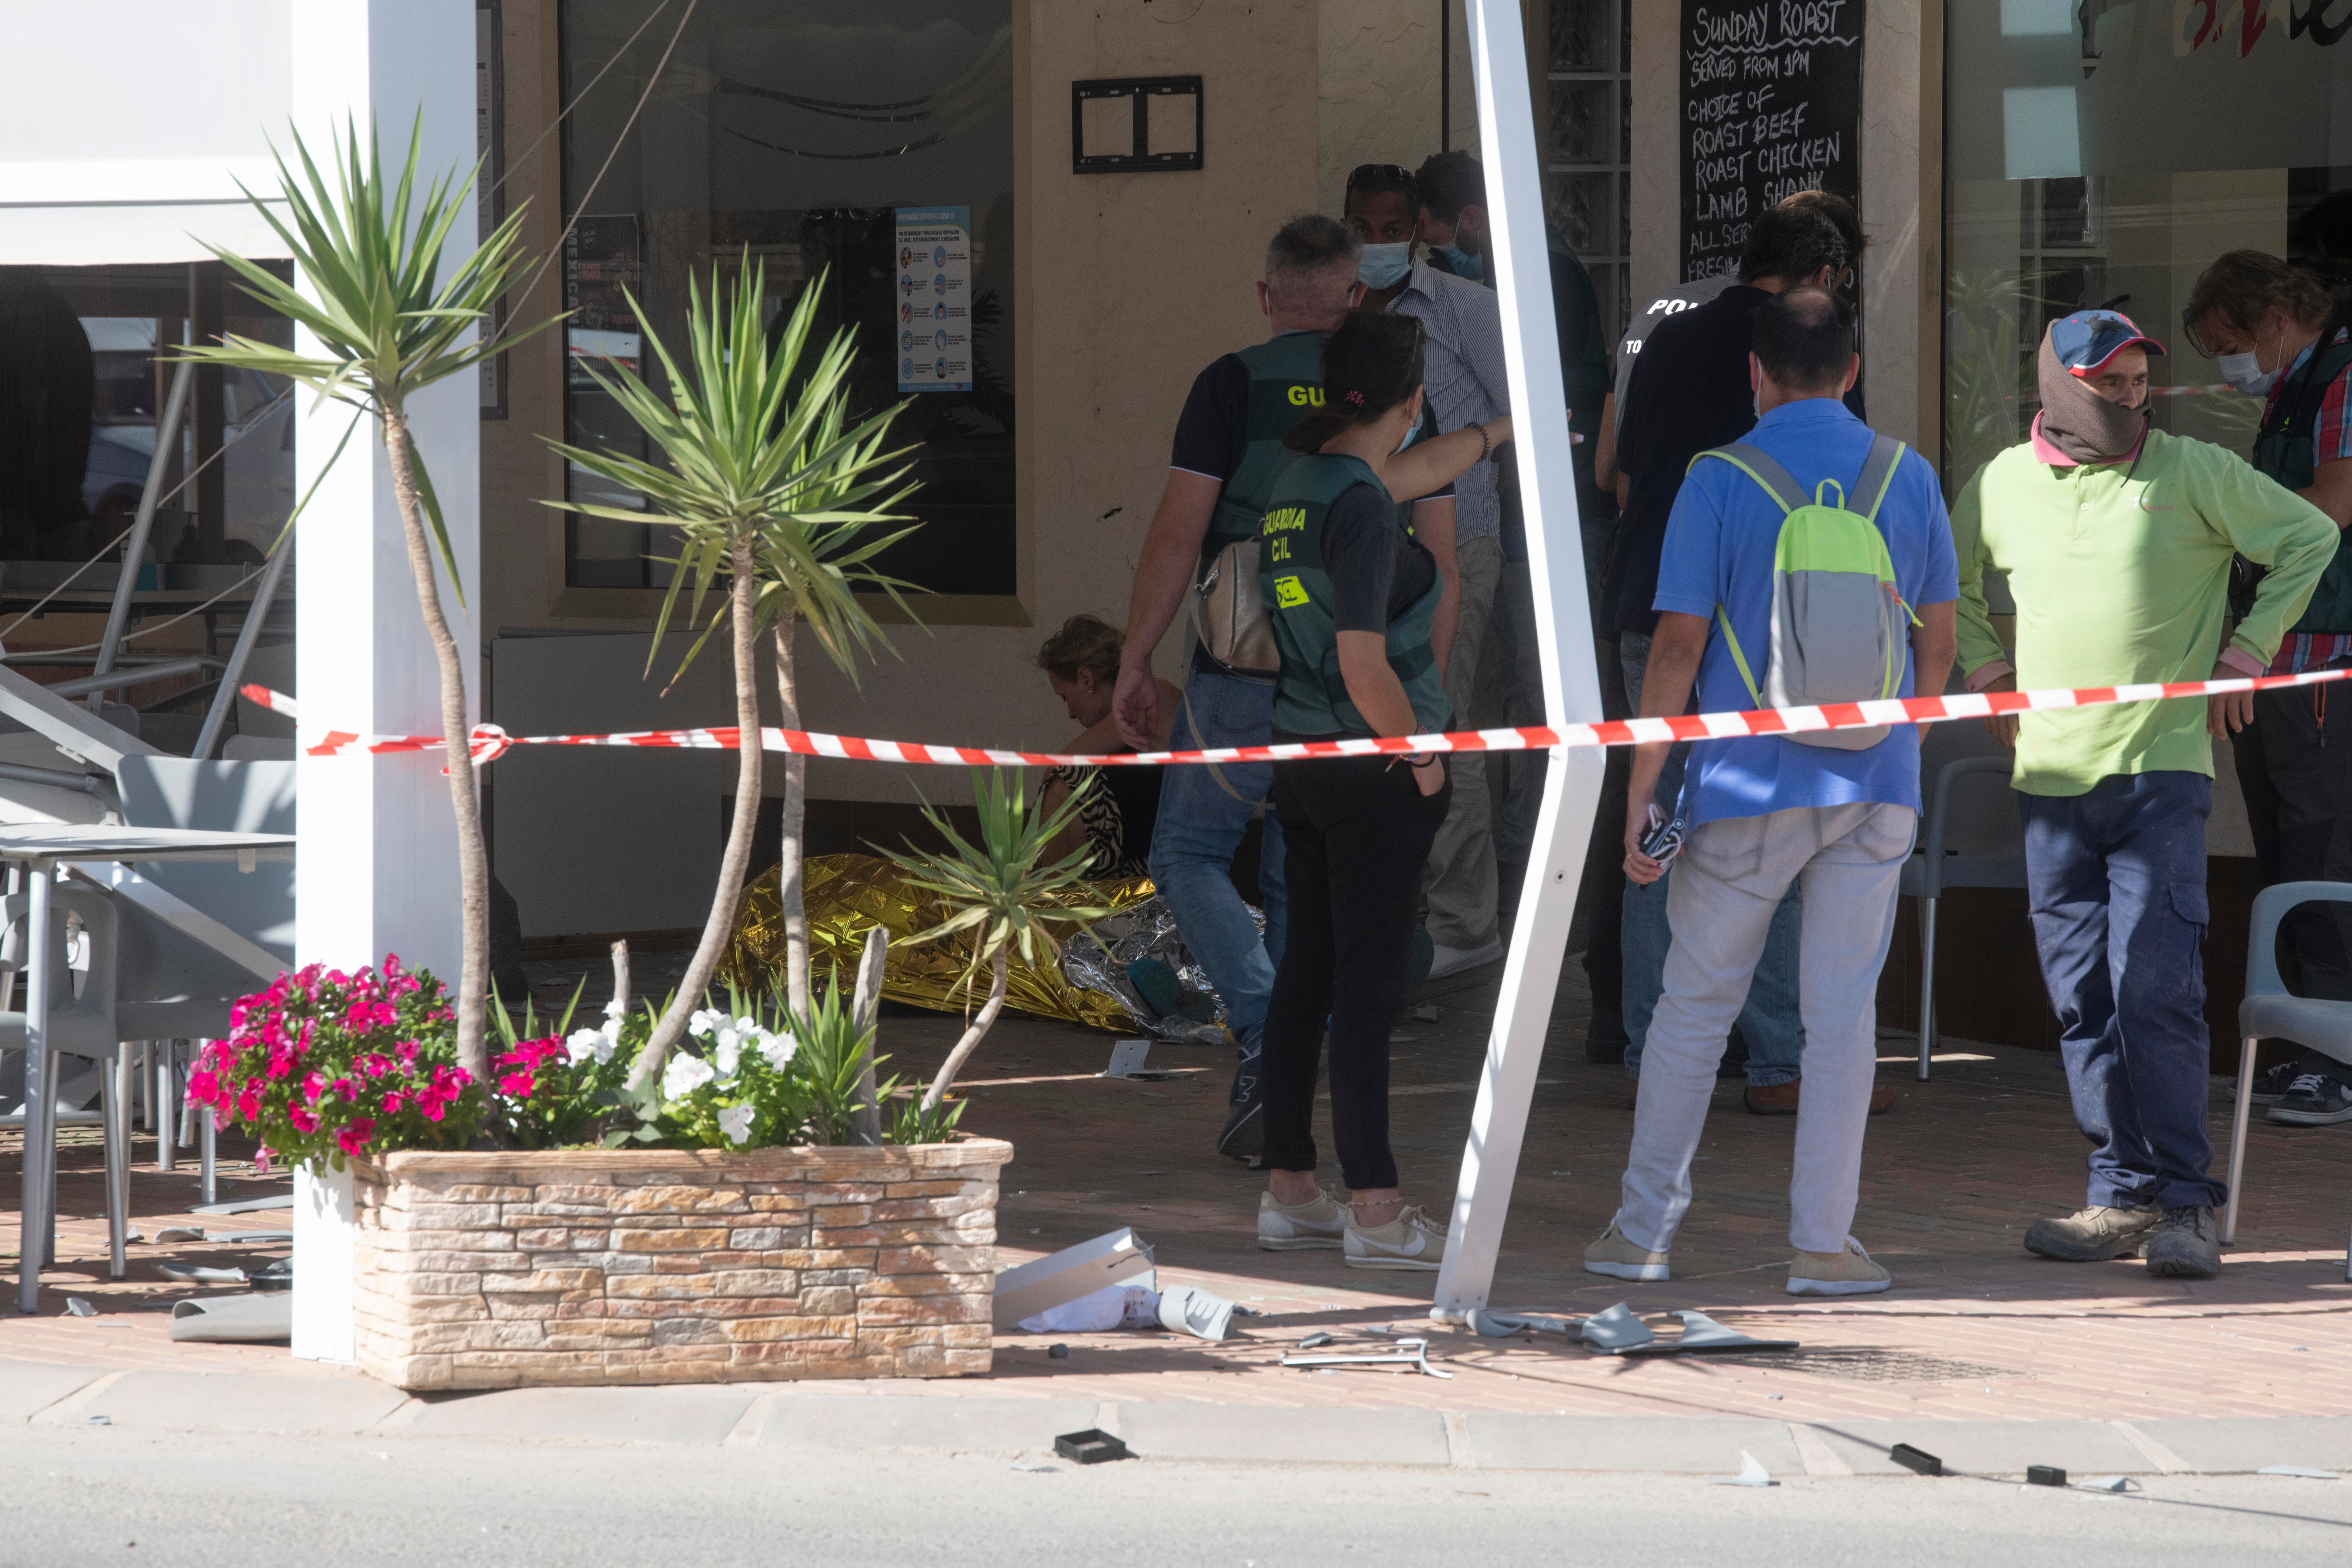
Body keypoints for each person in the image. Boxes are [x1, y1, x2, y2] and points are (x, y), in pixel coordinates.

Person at [1583, 288, 1955, 1297]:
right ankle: (1823, 1245)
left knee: (1694, 1007)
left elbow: (1676, 645)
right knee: (1841, 1018)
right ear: (1850, 372)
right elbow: (1937, 640)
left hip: (1746, 783)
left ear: (1754, 374)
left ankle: (1642, 1232)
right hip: (1876, 784)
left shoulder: (1717, 477)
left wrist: (1644, 788)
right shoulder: (1908, 475)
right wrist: (1899, 746)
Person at [1954, 309, 2337, 1279]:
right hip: (2049, 783)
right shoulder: (1999, 483)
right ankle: (2120, 1193)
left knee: (2155, 993)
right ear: (2058, 388)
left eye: (2138, 383)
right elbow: (1942, 581)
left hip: (2159, 778)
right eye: (2109, 384)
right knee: (2083, 1000)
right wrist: (1988, 671)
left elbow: (2306, 537)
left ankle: (2185, 1203)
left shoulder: (2191, 470)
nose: (2129, 400)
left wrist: (2247, 653)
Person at [1111, 214, 1458, 1163]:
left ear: (1266, 296)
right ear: (1356, 296)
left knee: (1187, 852)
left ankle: (1269, 1031)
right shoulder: (1396, 395)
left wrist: (1136, 656)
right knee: (1295, 874)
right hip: (1351, 679)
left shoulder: (1230, 382)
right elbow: (1439, 561)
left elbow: (1179, 533)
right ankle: (1285, 1056)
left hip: (1239, 662)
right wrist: (1418, 692)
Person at [1250, 311, 1512, 1268]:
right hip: (1373, 768)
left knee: (1307, 973)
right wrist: (1422, 757)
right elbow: (1365, 664)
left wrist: (1501, 432)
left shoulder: (1304, 480)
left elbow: (1422, 467)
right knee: (1368, 987)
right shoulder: (1360, 506)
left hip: (1302, 761)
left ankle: (1290, 1189)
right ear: (1409, 400)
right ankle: (1375, 1208)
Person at [1611, 207, 1878, 1115]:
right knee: (1777, 824)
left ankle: (1649, 1049)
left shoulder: (1667, 339)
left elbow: (1620, 473)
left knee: (1654, 831)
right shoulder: (1808, 352)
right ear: (1827, 277)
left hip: (1650, 602)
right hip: (1766, 623)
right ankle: (1778, 1062)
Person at [2184, 251, 2352, 1128]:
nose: (2229, 367)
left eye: (2231, 345)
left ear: (2277, 320)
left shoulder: (2341, 380)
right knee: (2287, 853)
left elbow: (2332, 504)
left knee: (2323, 850)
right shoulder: (2291, 391)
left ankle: (2336, 1056)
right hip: (2271, 653)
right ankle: (2305, 1045)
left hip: (2322, 656)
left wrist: (2230, 524)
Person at [1344, 162, 1515, 979]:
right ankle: (1407, 910)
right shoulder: (1341, 313)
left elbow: (1520, 415)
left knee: (1442, 720)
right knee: (1382, 720)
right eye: (1362, 230)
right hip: (1363, 548)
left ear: (1418, 229)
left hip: (1460, 541)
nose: (1377, 244)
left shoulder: (1464, 308)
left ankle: (1464, 923)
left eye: (1392, 229)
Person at [1595, 189, 1865, 511]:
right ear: (1824, 278)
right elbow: (1845, 484)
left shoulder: (1665, 333)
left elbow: (1621, 484)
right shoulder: (1813, 346)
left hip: (1649, 541)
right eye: (1836, 288)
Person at [1037, 614, 1179, 878]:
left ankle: (1045, 899)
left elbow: (1058, 767)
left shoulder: (1152, 698)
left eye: (1065, 698)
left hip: (1179, 854)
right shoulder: (1126, 731)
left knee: (1062, 784)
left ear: (1086, 679)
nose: (1070, 713)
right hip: (1153, 854)